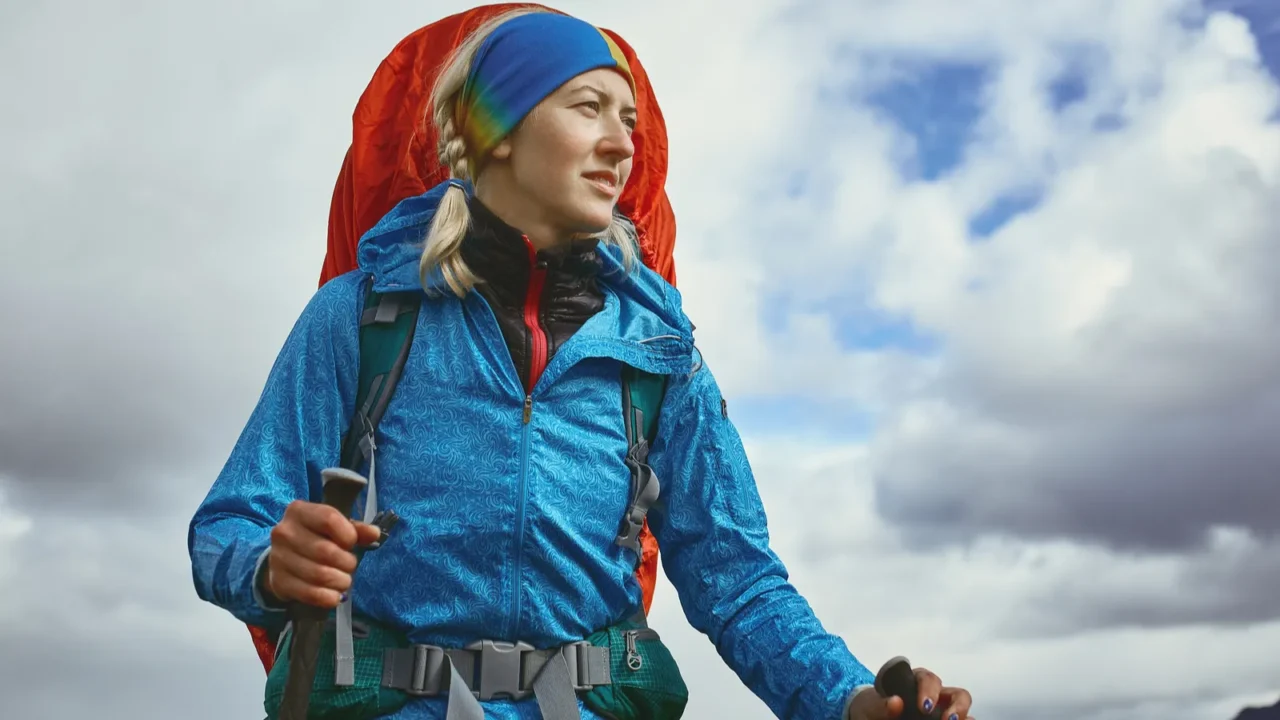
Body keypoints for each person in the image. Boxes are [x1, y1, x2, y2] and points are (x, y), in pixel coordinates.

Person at [188, 7, 975, 720]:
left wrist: (847, 699)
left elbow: (735, 576)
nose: (622, 143)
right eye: (588, 107)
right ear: (494, 128)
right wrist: (268, 567)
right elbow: (229, 524)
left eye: (629, 119)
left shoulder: (660, 353)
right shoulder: (362, 318)